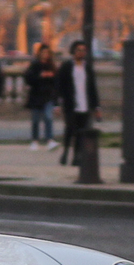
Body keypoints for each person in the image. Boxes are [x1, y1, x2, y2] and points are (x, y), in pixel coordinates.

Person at [58, 39, 100, 168]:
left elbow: (92, 87)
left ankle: (77, 156)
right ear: (73, 51)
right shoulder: (67, 66)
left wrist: (96, 106)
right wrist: (57, 103)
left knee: (81, 132)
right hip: (71, 104)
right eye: (78, 50)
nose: (81, 53)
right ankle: (65, 152)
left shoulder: (87, 67)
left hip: (84, 104)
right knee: (70, 129)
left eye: (83, 51)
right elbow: (59, 85)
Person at [22, 43, 59, 150]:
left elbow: (56, 83)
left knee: (48, 118)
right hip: (36, 96)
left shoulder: (52, 66)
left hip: (48, 96)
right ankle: (35, 140)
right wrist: (40, 76)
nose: (45, 55)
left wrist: (56, 100)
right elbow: (28, 79)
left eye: (47, 53)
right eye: (43, 52)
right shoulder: (35, 65)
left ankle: (49, 139)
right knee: (35, 120)